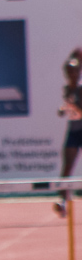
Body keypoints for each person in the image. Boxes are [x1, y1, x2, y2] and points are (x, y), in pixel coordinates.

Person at [56, 48, 82, 217]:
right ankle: (63, 200)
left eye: (74, 71)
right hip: (73, 130)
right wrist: (62, 109)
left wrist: (72, 107)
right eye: (69, 71)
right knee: (67, 165)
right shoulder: (67, 89)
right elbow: (66, 65)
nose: (71, 74)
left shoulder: (80, 89)